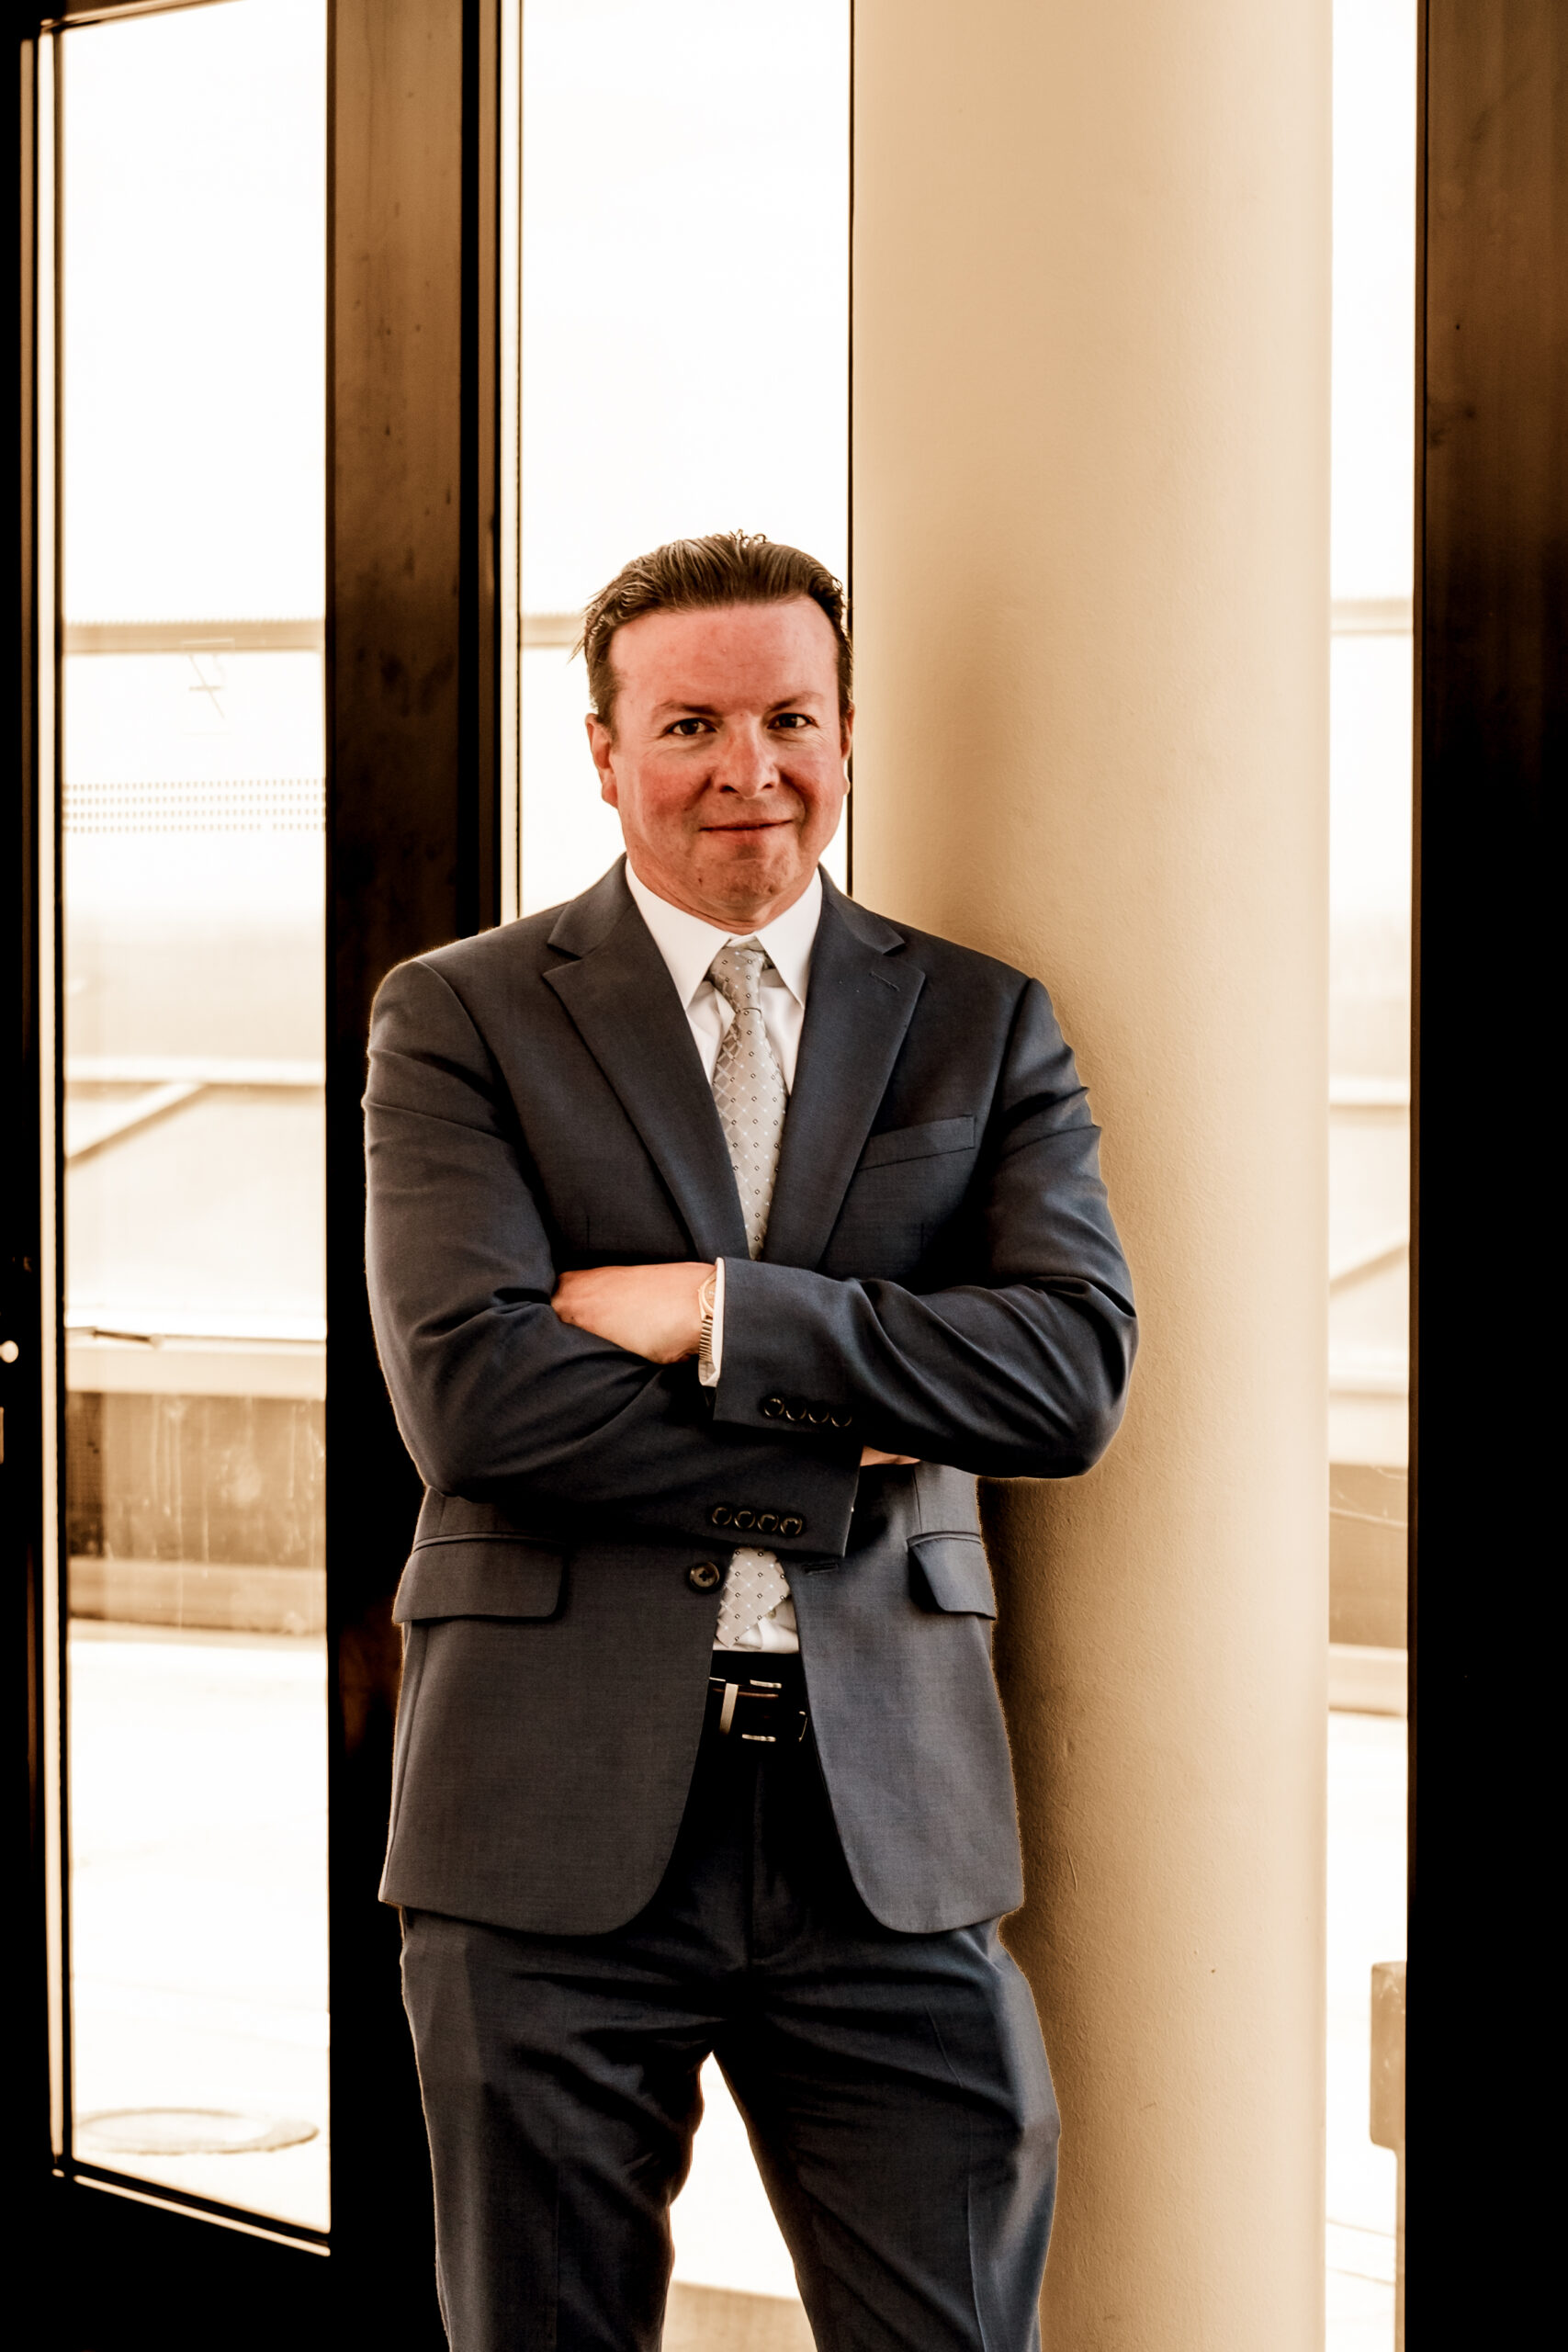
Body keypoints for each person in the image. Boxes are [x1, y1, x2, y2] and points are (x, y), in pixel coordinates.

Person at [365, 530, 1136, 2352]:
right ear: (603, 746)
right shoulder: (459, 1015)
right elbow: (474, 1396)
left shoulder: (978, 1020)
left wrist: (713, 1309)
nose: (747, 767)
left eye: (789, 714)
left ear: (847, 730)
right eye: (691, 720)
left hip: (888, 1824)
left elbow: (1065, 1380)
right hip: (539, 1818)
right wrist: (857, 1426)